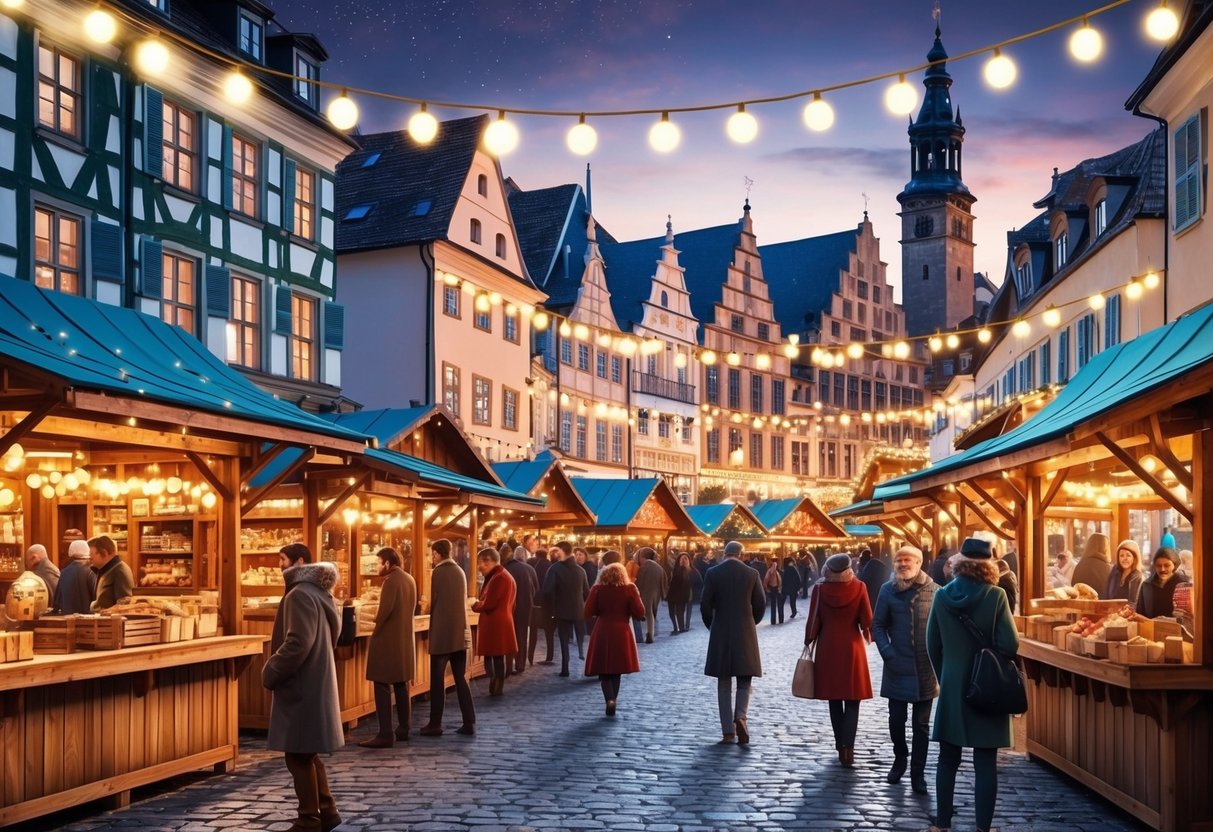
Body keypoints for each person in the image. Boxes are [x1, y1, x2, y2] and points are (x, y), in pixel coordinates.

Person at [927, 537, 1019, 832]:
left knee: (947, 758)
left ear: (959, 562)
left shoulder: (941, 596)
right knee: (985, 761)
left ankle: (942, 824)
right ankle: (982, 827)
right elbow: (1010, 643)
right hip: (987, 686)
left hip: (953, 684)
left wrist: (946, 677)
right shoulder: (996, 596)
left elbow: (932, 644)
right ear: (989, 565)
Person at [262, 543, 344, 832]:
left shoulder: (299, 594)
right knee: (307, 751)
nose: (279, 566)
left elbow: (298, 643)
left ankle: (308, 818)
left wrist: (271, 670)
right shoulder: (320, 592)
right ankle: (328, 810)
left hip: (302, 686)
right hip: (314, 682)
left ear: (297, 563)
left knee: (297, 754)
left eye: (282, 560)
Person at [873, 545, 938, 793]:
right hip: (897, 666)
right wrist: (888, 653)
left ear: (919, 562)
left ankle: (917, 773)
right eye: (898, 560)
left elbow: (941, 628)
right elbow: (878, 625)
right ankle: (900, 757)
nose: (901, 564)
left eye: (907, 560)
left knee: (921, 725)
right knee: (896, 720)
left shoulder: (934, 591)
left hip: (925, 668)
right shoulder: (887, 590)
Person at [807, 552, 874, 767]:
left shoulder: (819, 589)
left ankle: (839, 745)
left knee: (834, 698)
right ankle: (848, 749)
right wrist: (868, 634)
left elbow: (813, 621)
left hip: (828, 647)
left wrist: (809, 639)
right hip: (852, 647)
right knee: (853, 699)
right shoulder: (859, 587)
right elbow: (867, 619)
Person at [701, 540, 765, 744]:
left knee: (723, 681)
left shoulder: (713, 573)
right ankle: (741, 716)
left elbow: (705, 604)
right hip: (745, 629)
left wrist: (712, 624)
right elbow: (760, 604)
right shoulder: (751, 574)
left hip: (721, 629)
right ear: (741, 554)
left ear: (725, 553)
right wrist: (751, 621)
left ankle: (727, 730)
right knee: (745, 679)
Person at [360, 547, 416, 748]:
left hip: (387, 640)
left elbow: (384, 612)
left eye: (378, 562)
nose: (376, 566)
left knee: (382, 685)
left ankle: (385, 733)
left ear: (387, 564)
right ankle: (404, 728)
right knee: (401, 684)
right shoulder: (409, 579)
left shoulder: (391, 582)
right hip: (403, 641)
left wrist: (372, 624)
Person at [420, 539, 475, 736]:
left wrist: (423, 607)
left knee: (437, 680)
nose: (431, 558)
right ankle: (469, 721)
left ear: (437, 553)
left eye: (431, 554)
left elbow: (432, 602)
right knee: (460, 679)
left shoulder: (438, 572)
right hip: (460, 633)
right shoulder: (459, 571)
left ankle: (435, 723)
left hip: (442, 634)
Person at [584, 562, 646, 716]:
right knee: (616, 670)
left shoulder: (597, 589)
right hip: (622, 631)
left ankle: (609, 699)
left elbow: (587, 611)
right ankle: (613, 700)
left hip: (602, 629)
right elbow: (640, 611)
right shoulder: (630, 588)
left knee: (604, 670)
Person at [472, 547, 517, 696]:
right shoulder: (503, 575)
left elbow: (489, 603)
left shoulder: (499, 578)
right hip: (500, 621)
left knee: (495, 656)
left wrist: (474, 604)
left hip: (495, 623)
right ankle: (496, 684)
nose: (479, 567)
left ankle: (496, 685)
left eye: (480, 563)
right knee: (496, 656)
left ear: (488, 561)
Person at [541, 541, 589, 677]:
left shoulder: (555, 568)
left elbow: (547, 590)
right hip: (578, 609)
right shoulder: (581, 570)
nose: (555, 553)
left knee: (563, 639)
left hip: (562, 609)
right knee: (580, 636)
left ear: (562, 551)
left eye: (556, 550)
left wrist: (551, 605)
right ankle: (582, 656)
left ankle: (565, 667)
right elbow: (586, 592)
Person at [502, 544, 538, 676]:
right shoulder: (529, 568)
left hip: (510, 606)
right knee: (521, 635)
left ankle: (508, 667)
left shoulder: (505, 570)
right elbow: (536, 588)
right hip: (526, 606)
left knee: (510, 636)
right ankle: (520, 664)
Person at [88, 534, 133, 610]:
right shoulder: (104, 570)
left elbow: (124, 604)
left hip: (111, 620)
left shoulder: (119, 571)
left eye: (92, 555)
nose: (90, 558)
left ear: (104, 553)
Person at [1136, 547, 1182, 619]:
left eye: (1167, 565)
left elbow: (1187, 619)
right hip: (1149, 629)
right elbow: (1139, 613)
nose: (1162, 569)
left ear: (1175, 565)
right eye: (1158, 566)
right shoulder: (1146, 585)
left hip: (1175, 629)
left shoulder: (1183, 585)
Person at [634, 547, 668, 643]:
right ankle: (651, 634)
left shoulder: (643, 567)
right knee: (651, 614)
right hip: (656, 594)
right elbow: (664, 581)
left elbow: (638, 581)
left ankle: (643, 635)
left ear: (642, 556)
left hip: (644, 594)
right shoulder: (659, 567)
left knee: (645, 614)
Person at [529, 544, 555, 666]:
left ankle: (530, 657)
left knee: (533, 630)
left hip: (533, 601)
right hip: (547, 603)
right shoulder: (550, 566)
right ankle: (549, 656)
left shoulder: (530, 563)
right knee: (549, 631)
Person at [54, 540, 96, 615]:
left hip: (67, 620)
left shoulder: (63, 572)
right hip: (88, 621)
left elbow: (57, 603)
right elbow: (97, 600)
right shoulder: (91, 571)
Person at [1071, 532, 1111, 597]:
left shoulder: (1080, 565)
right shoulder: (1107, 568)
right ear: (1104, 547)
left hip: (1081, 604)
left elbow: (1074, 585)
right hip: (1102, 605)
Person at [1105, 540, 1143, 606]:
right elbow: (1106, 596)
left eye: (1128, 555)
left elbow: (1135, 604)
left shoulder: (1138, 578)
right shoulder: (1114, 572)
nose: (1125, 558)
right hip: (1110, 613)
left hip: (1128, 614)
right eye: (1122, 555)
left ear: (1134, 558)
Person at [667, 552, 693, 634]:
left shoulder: (692, 571)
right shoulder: (675, 570)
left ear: (689, 560)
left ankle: (681, 628)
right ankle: (676, 627)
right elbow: (670, 582)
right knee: (671, 613)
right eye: (681, 558)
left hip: (683, 596)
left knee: (680, 613)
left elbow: (697, 582)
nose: (683, 560)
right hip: (672, 594)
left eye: (685, 558)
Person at [762, 558, 783, 624]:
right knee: (774, 605)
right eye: (774, 564)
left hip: (777, 588)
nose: (775, 565)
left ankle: (780, 620)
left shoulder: (776, 571)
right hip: (773, 589)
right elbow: (765, 580)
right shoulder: (770, 571)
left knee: (778, 605)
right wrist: (767, 589)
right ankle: (774, 621)